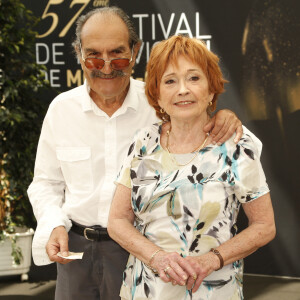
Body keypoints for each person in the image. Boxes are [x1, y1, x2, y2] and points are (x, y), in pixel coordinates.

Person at [28, 7, 243, 300]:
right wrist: (53, 223)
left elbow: (199, 125)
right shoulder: (61, 110)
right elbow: (45, 183)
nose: (106, 67)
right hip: (74, 250)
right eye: (93, 56)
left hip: (138, 250)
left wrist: (225, 115)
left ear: (135, 51)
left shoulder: (160, 106)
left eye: (117, 55)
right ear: (79, 54)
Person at [107, 35, 276, 300]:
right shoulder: (143, 143)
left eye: (194, 78)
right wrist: (158, 258)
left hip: (215, 290)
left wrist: (211, 260)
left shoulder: (237, 144)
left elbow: (264, 226)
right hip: (146, 291)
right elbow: (117, 220)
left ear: (211, 90)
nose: (183, 89)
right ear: (157, 95)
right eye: (170, 81)